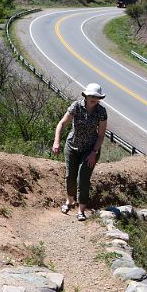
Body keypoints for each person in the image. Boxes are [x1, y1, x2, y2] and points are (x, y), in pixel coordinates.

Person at [51, 82, 108, 221]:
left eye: (96, 96)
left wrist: (94, 152)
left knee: (83, 179)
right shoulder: (76, 106)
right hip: (72, 146)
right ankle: (69, 201)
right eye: (91, 95)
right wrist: (57, 141)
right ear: (86, 96)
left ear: (99, 98)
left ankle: (81, 210)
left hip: (90, 150)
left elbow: (101, 135)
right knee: (70, 176)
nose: (93, 98)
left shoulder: (101, 112)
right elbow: (62, 123)